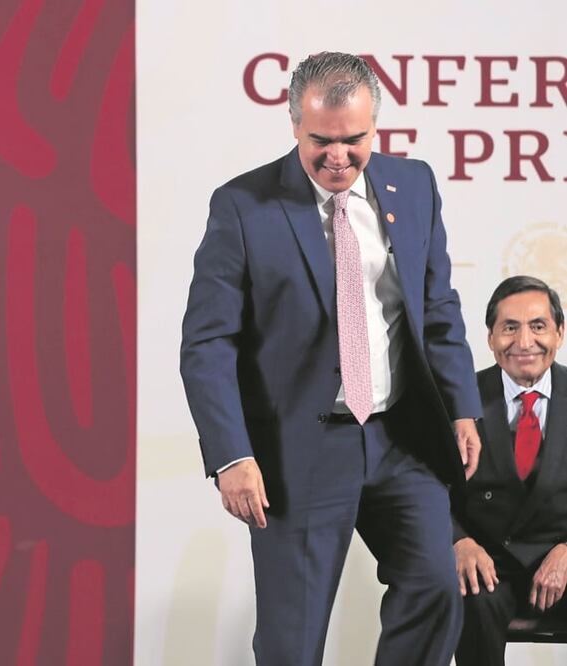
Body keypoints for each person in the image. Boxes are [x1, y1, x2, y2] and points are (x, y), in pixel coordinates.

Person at [179, 52, 483, 665]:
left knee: (435, 588)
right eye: (322, 140)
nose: (338, 156)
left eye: (355, 139)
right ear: (295, 124)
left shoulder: (414, 185)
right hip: (299, 449)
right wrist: (232, 455)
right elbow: (207, 343)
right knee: (292, 642)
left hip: (402, 438)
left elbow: (437, 306)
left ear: (375, 127)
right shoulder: (242, 206)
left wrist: (462, 408)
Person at [453, 276, 567, 666]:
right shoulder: (458, 400)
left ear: (559, 333)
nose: (524, 342)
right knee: (469, 597)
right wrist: (458, 542)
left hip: (561, 555)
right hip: (488, 564)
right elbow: (426, 485)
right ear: (490, 337)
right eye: (510, 328)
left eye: (538, 326)